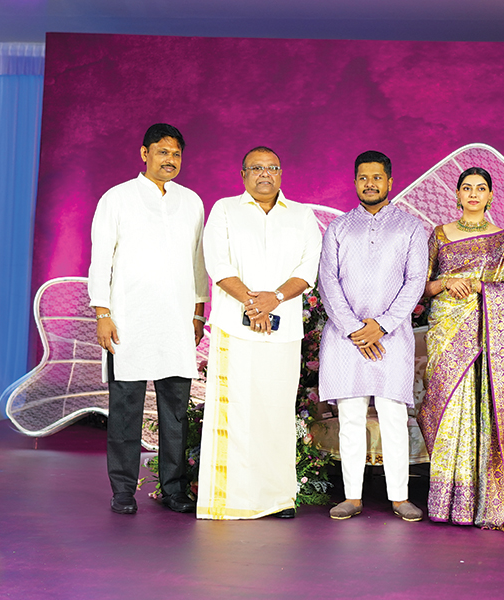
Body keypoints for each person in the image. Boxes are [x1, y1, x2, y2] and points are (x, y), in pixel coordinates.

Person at [88, 123, 208, 515]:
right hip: (129, 320)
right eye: (162, 152)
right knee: (126, 410)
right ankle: (123, 490)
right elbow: (100, 258)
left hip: (176, 321)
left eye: (176, 154)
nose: (169, 160)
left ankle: (173, 489)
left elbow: (198, 261)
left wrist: (198, 310)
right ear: (145, 154)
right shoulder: (118, 198)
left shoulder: (191, 201)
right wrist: (102, 311)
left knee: (176, 412)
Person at [197, 146, 321, 520]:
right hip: (234, 330)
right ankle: (230, 499)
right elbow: (218, 263)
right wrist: (254, 304)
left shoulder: (301, 215)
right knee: (234, 413)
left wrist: (275, 298)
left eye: (272, 167)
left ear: (281, 173)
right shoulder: (225, 210)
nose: (264, 173)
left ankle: (277, 498)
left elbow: (308, 268)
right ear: (243, 174)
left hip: (283, 334)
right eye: (256, 168)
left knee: (276, 414)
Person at [318, 151, 427, 522]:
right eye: (363, 177)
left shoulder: (410, 227)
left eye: (377, 177)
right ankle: (352, 497)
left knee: (393, 416)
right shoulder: (339, 228)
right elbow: (328, 280)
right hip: (345, 338)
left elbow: (415, 280)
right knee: (350, 417)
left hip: (391, 338)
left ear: (390, 181)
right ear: (355, 182)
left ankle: (399, 497)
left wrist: (381, 325)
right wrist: (354, 328)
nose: (370, 184)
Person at [417, 167, 504, 528]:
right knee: (446, 410)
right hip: (445, 332)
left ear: (490, 195)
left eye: (481, 188)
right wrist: (447, 282)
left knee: (480, 412)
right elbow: (421, 287)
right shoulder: (439, 234)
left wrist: (479, 287)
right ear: (458, 194)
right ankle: (444, 501)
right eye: (467, 188)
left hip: (483, 336)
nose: (474, 194)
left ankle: (475, 502)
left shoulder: (502, 240)